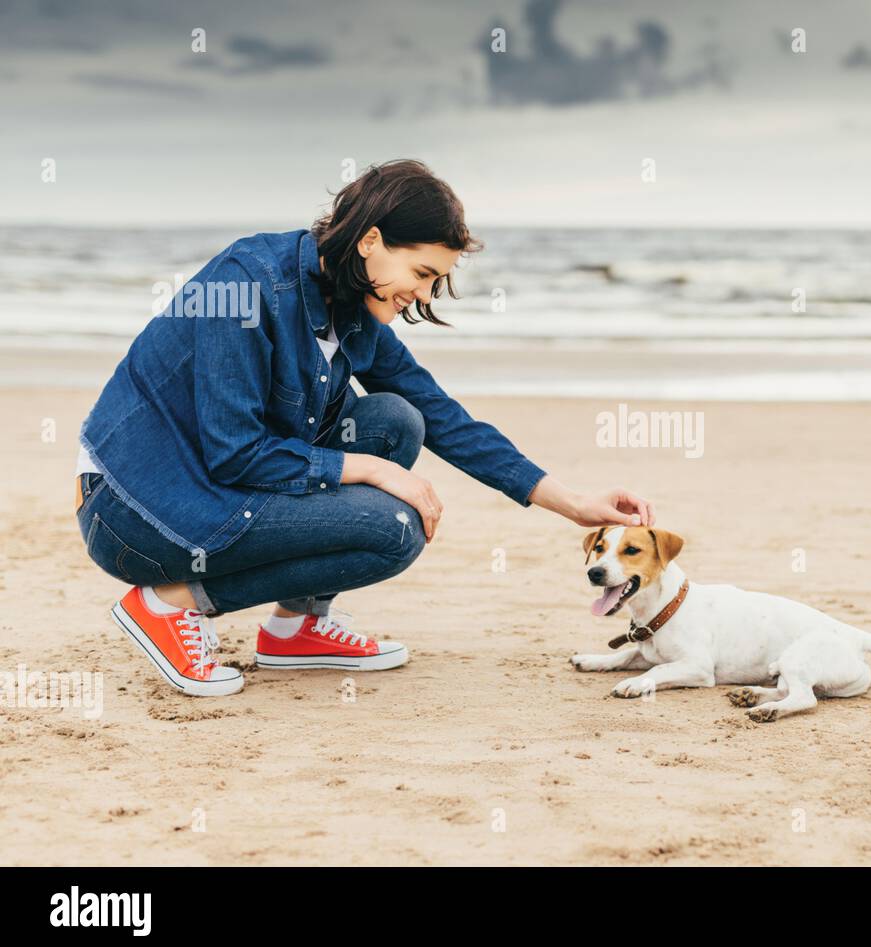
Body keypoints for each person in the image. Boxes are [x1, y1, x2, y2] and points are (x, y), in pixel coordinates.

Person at [74, 158, 654, 697]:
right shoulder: (246, 285)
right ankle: (168, 603)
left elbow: (442, 415)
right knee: (393, 529)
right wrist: (369, 469)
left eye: (435, 282)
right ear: (371, 239)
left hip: (213, 490)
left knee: (397, 420)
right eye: (422, 272)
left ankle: (295, 628)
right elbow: (236, 454)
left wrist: (572, 502)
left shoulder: (350, 308)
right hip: (136, 510)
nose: (422, 295)